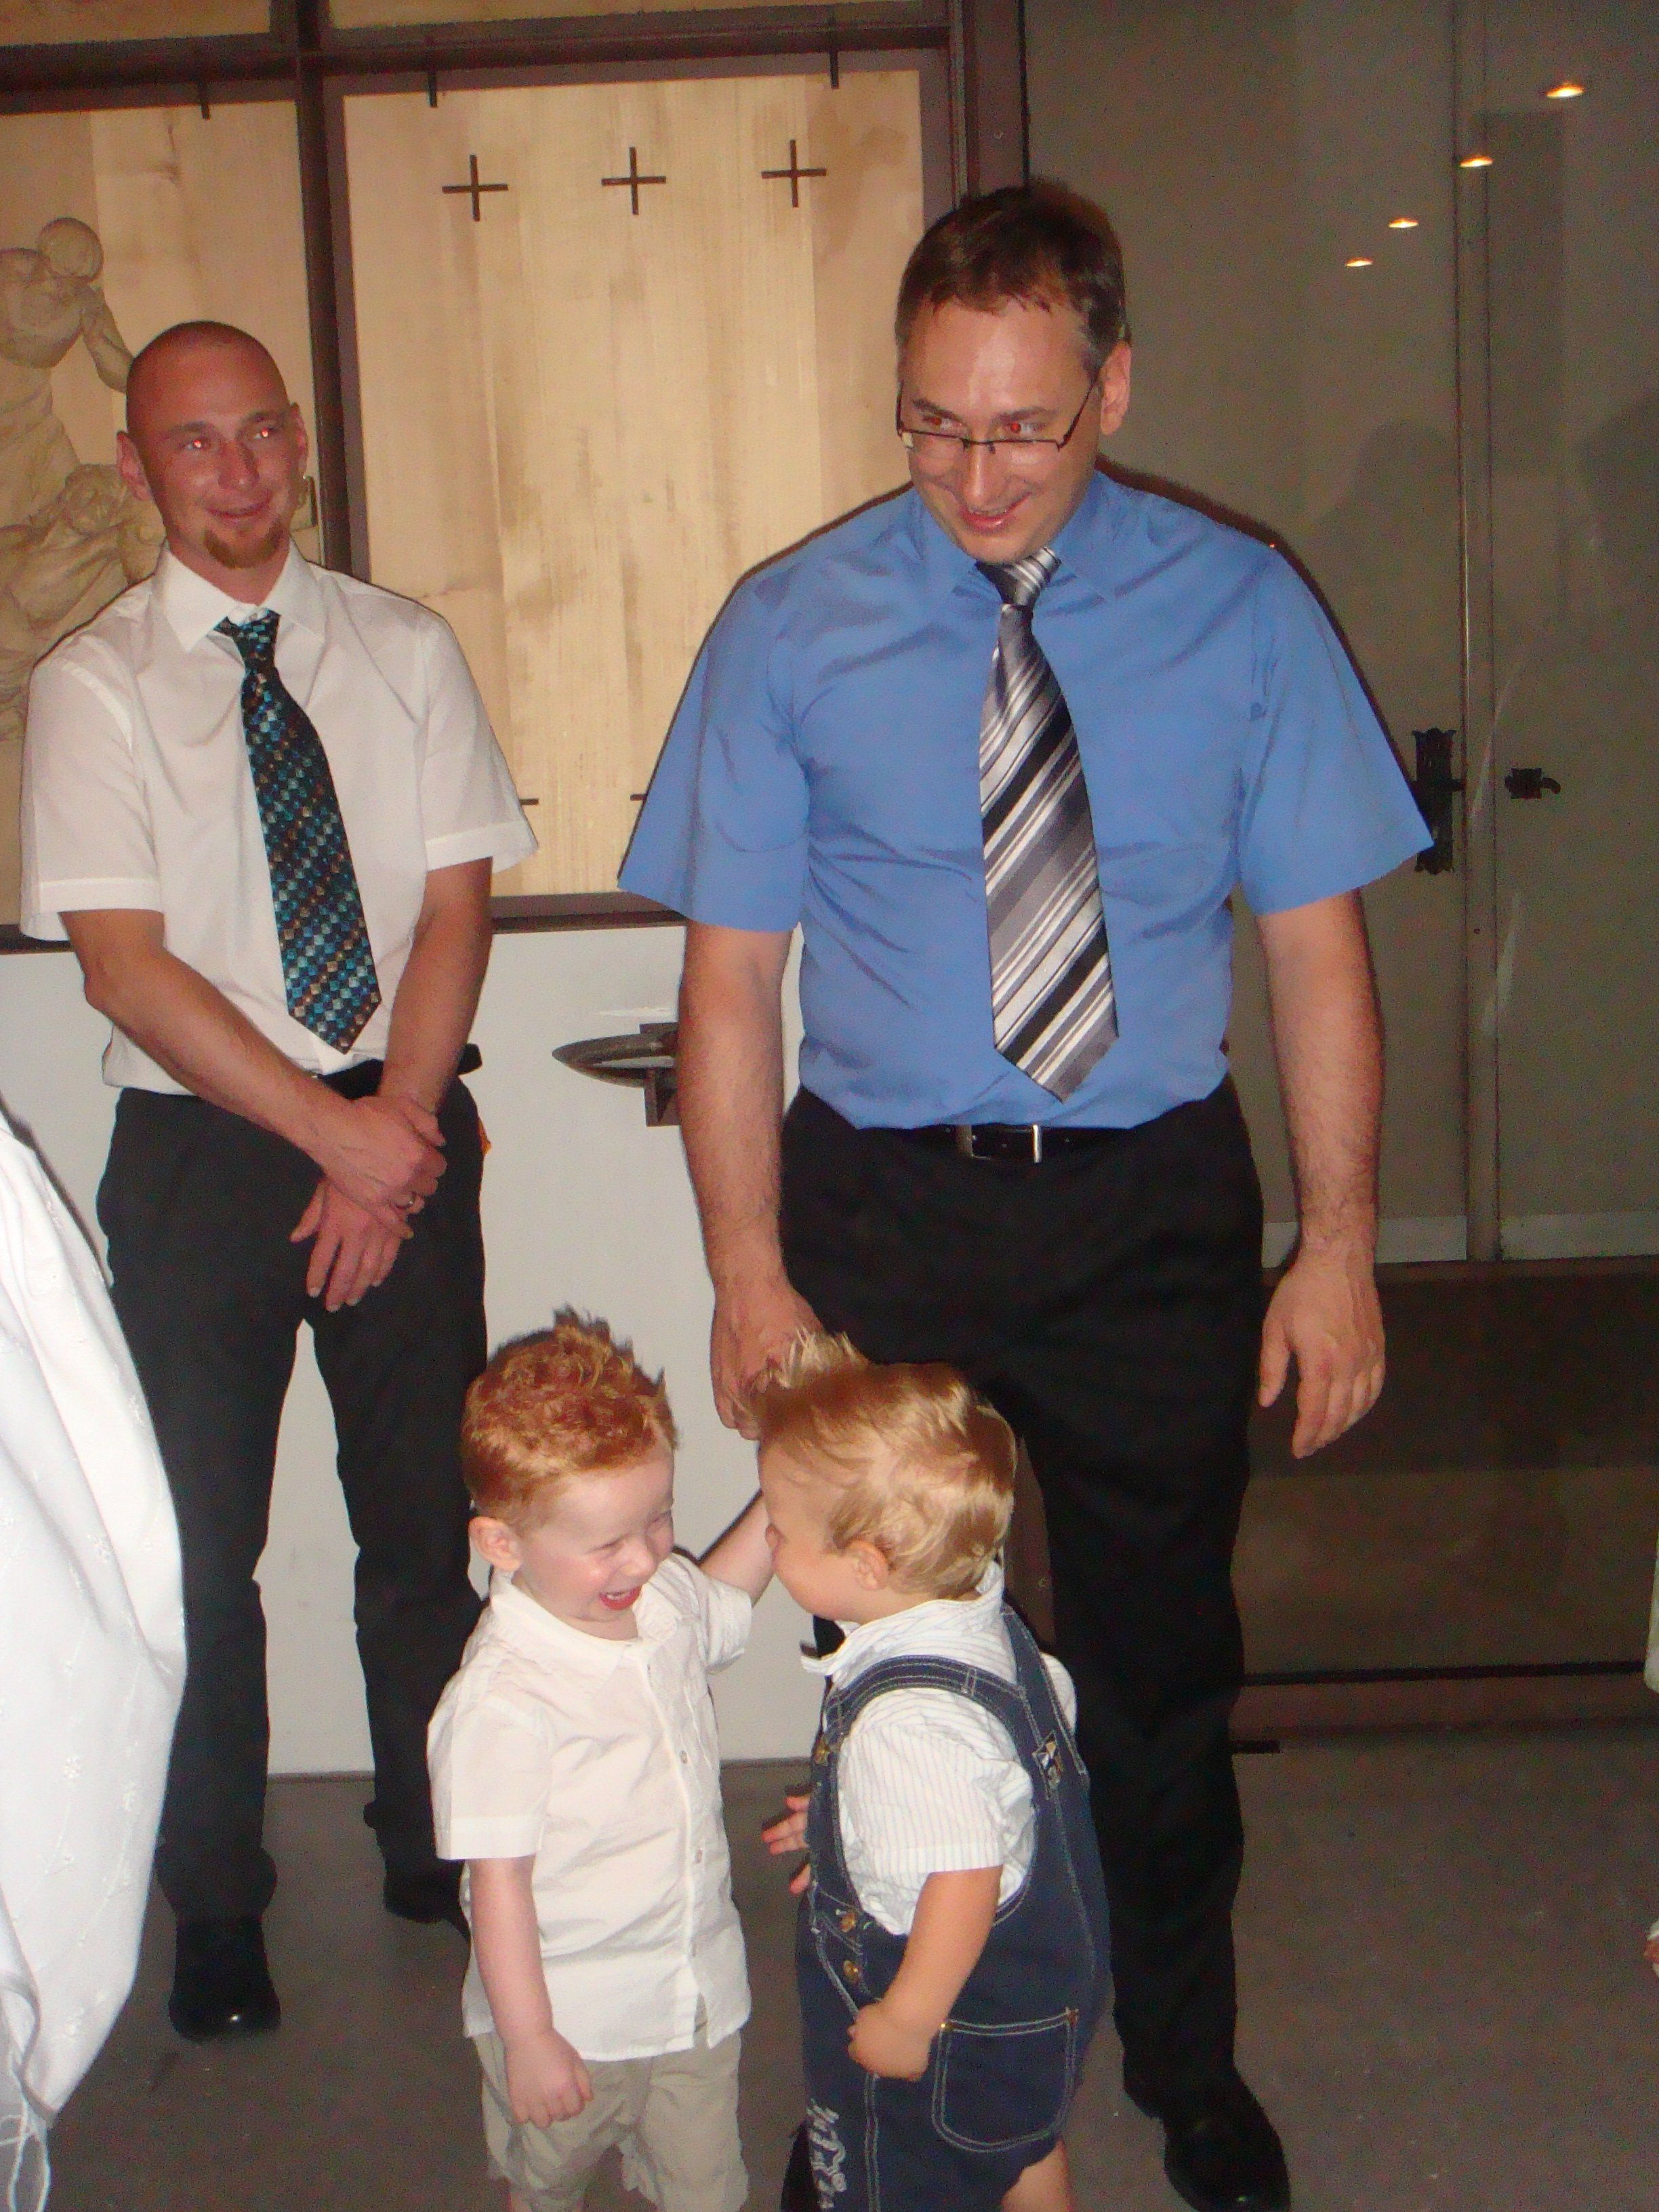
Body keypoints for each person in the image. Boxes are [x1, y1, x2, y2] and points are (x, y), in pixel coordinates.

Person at [620, 185, 1431, 2212]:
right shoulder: (793, 624)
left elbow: (1319, 952)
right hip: (887, 1210)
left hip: (1149, 1207)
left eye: (1024, 428)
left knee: (1158, 1677)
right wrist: (745, 1267)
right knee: (888, 1679)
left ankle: (1189, 2063)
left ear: (1113, 387)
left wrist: (1336, 1246)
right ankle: (875, 2082)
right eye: (934, 424)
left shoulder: (1243, 610)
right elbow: (728, 984)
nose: (976, 477)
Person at [19, 319, 535, 2043]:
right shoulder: (91, 684)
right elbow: (122, 966)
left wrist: (395, 1127)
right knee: (194, 1552)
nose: (235, 472)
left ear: (300, 440)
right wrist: (338, 1137)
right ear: (136, 467)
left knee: (427, 1528)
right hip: (204, 1154)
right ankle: (216, 1902)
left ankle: (438, 1843)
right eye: (194, 442)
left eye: (258, 433)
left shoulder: (405, 650)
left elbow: (455, 907)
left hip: (403, 1120)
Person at [752, 1334, 1109, 2212]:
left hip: (953, 2022)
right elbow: (994, 1792)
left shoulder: (906, 1727)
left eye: (780, 1530)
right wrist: (853, 1818)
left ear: (865, 1566)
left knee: (898, 2173)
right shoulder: (981, 1618)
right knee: (1019, 2139)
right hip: (1035, 2001)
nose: (767, 1539)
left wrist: (908, 2019)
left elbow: (965, 1873)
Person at [428, 1315, 773, 2212]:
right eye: (608, 1543)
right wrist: (529, 2038)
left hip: (693, 1992)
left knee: (707, 2190)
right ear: (503, 1545)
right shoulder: (505, 1700)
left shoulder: (656, 1598)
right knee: (548, 2183)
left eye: (658, 1518)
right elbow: (498, 1884)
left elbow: (722, 1599)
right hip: (570, 2019)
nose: (646, 1556)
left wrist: (786, 1493)